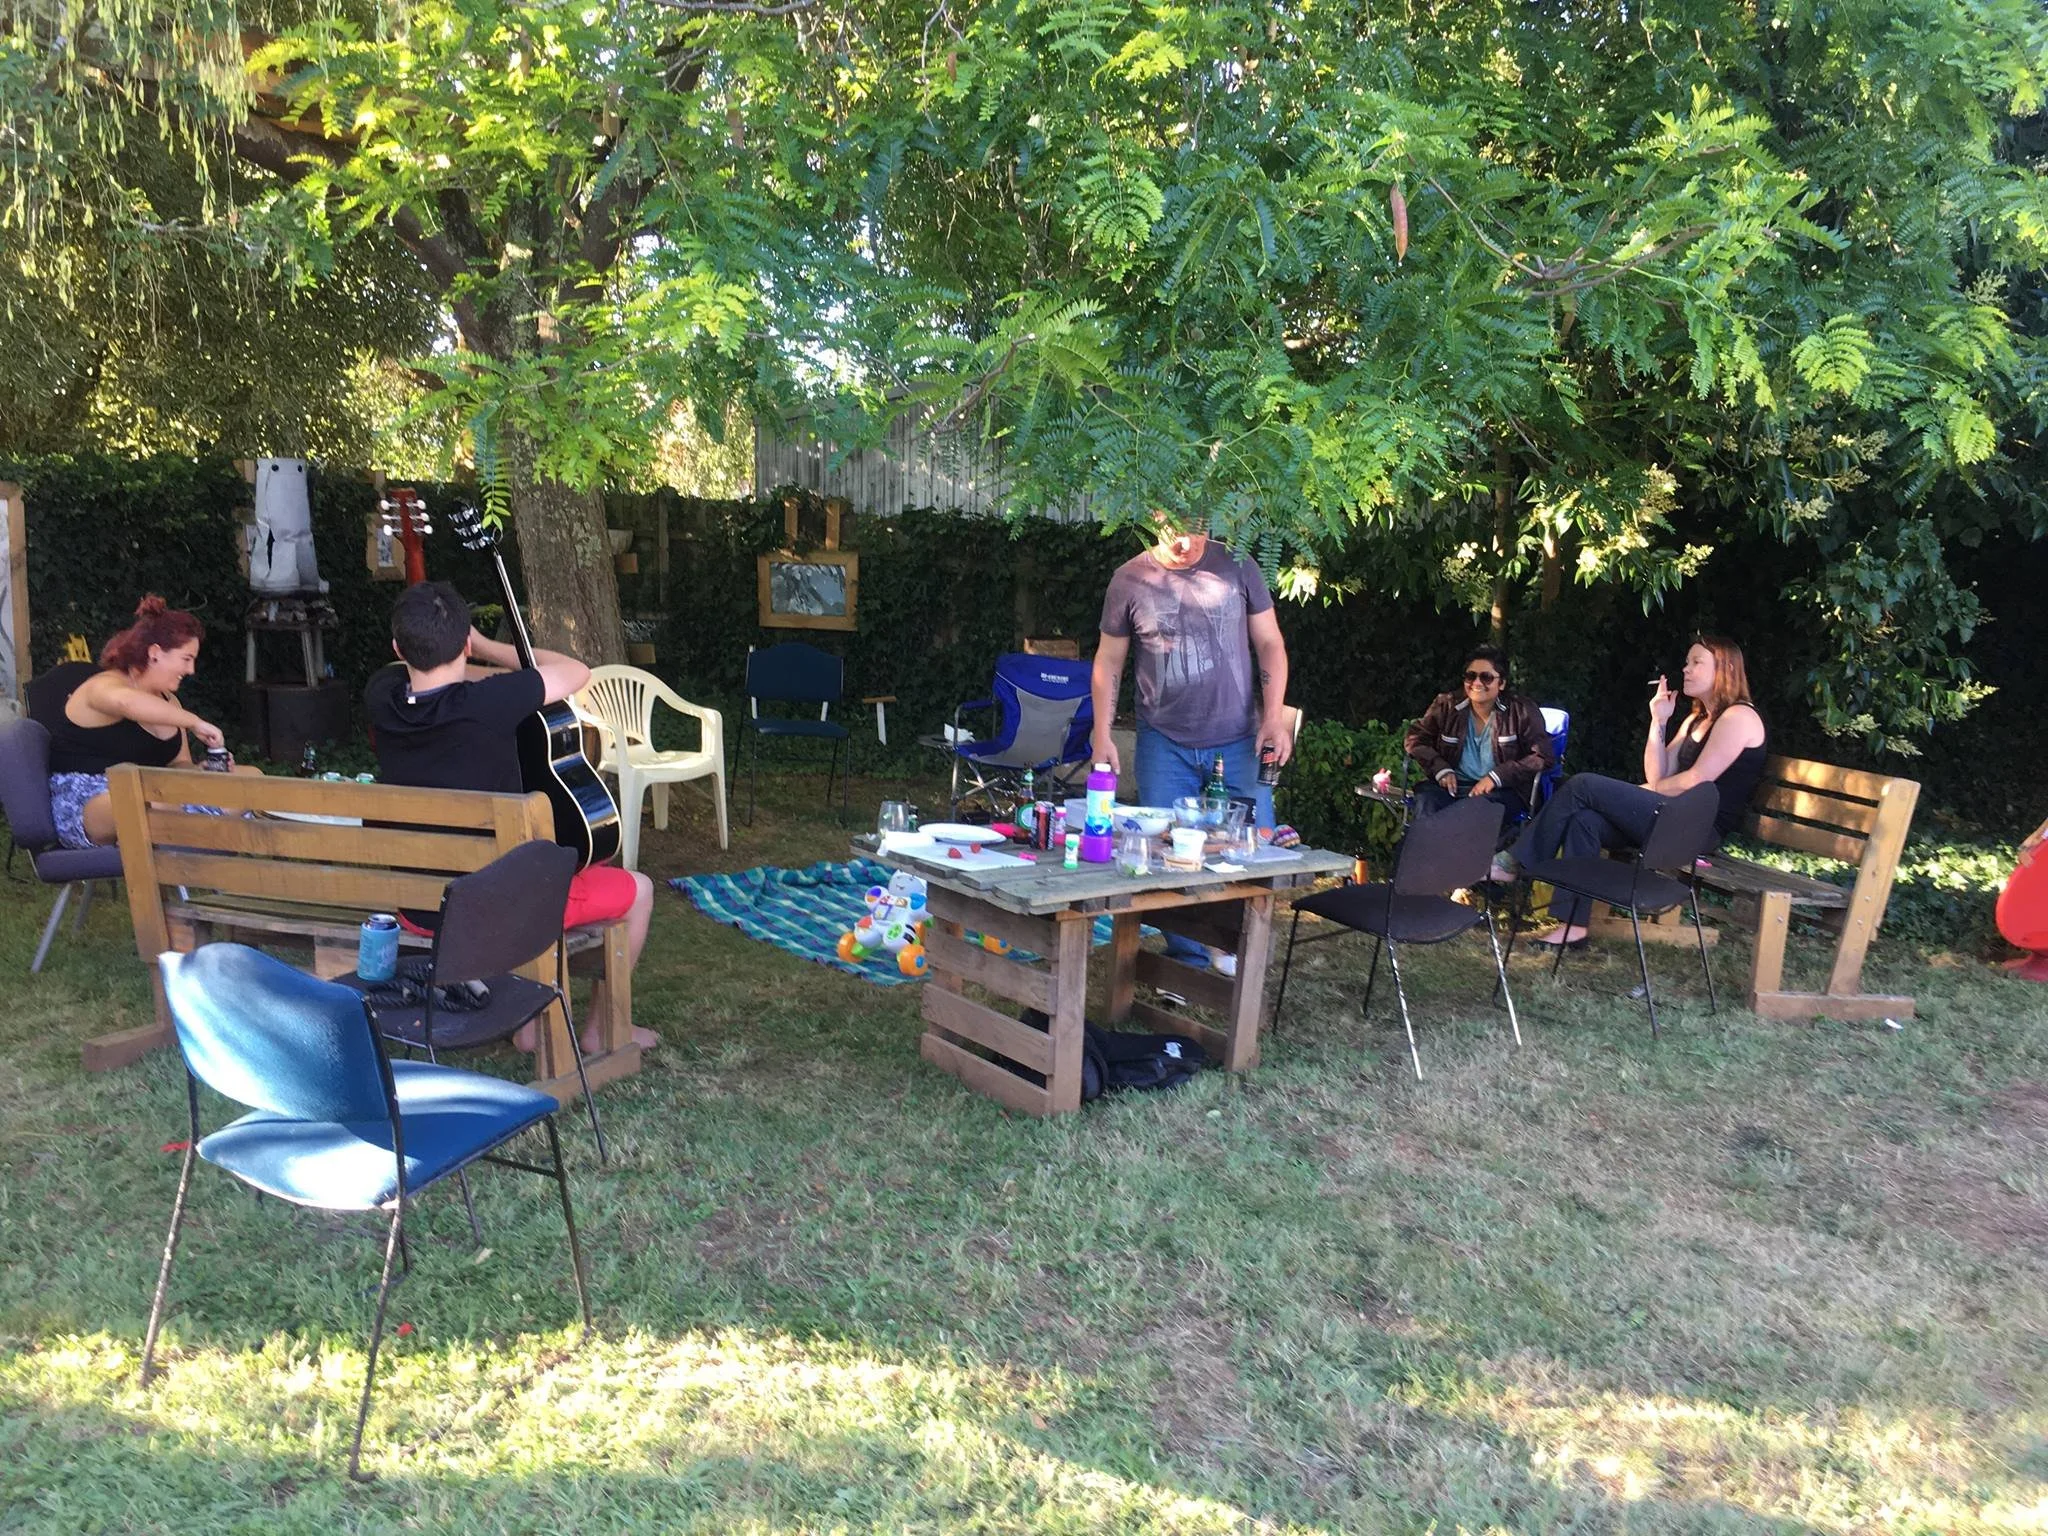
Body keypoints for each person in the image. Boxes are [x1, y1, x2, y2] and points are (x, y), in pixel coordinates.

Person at [364, 581, 658, 1051]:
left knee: (539, 873)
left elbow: (432, 680)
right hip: (493, 913)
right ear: (463, 643)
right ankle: (602, 1028)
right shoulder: (490, 704)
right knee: (637, 889)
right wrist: (483, 645)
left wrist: (460, 655)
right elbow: (574, 671)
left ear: (399, 649)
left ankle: (525, 1019)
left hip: (417, 908)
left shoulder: (382, 697)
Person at [1091, 511, 1292, 974]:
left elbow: (1270, 644)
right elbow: (1109, 659)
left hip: (1239, 738)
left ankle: (1237, 949)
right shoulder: (1129, 579)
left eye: (1194, 528)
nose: (1184, 541)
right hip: (1164, 739)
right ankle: (1186, 961)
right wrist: (1101, 733)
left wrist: (1275, 717)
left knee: (1250, 848)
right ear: (1150, 520)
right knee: (1165, 853)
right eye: (1172, 529)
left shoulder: (1239, 564)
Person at [1496, 635, 1767, 947]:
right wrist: (1658, 721)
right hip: (1669, 817)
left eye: (1696, 662)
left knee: (1583, 784)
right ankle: (1573, 928)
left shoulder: (1739, 717)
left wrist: (1648, 789)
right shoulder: (1697, 719)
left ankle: (1516, 862)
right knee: (1583, 821)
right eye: (1687, 661)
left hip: (1696, 829)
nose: (1686, 669)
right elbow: (1657, 774)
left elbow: (1697, 781)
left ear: (1725, 669)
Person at [25, 596, 234, 850]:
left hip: (155, 792)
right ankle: (205, 837)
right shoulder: (102, 685)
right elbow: (127, 704)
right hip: (91, 802)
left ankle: (206, 841)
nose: (191, 670)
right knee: (153, 802)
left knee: (251, 781)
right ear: (155, 653)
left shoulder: (170, 704)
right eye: (186, 659)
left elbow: (179, 764)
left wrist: (201, 771)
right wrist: (194, 722)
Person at [1403, 644, 1553, 817]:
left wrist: (1498, 776)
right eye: (1470, 676)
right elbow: (1415, 737)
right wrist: (1440, 768)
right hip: (1453, 788)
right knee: (1427, 803)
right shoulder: (1447, 705)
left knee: (1475, 814)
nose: (1476, 683)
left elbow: (1542, 756)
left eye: (1486, 677)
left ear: (1501, 683)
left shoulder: (1522, 711)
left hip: (1501, 791)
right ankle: (1424, 844)